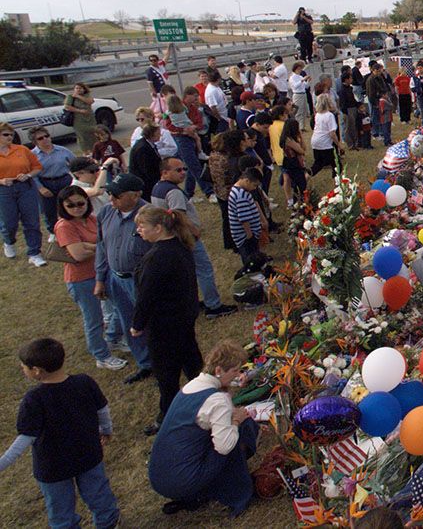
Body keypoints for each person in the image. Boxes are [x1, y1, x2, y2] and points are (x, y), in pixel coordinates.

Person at [0, 338, 120, 529]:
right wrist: (106, 430)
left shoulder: (34, 399)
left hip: (53, 467)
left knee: (60, 511)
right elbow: (102, 410)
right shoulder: (84, 382)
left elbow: (25, 438)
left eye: (24, 366)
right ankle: (107, 523)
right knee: (99, 496)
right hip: (88, 455)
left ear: (37, 370)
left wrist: (2, 463)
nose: (22, 369)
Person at [148, 340, 258, 517]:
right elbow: (225, 446)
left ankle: (199, 490)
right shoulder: (217, 400)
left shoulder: (192, 386)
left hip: (161, 477)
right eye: (234, 371)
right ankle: (237, 492)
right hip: (184, 480)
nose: (238, 375)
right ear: (219, 371)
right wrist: (236, 421)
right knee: (242, 429)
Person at [131, 205, 202, 436]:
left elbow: (147, 295)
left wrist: (137, 324)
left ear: (158, 228)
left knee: (166, 373)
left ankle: (168, 416)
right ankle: (206, 397)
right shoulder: (180, 247)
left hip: (164, 324)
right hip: (183, 317)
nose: (139, 231)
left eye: (142, 226)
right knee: (192, 362)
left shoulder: (158, 257)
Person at [53, 186, 129, 371]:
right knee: (94, 319)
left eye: (81, 203)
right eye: (70, 205)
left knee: (122, 307)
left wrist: (89, 246)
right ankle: (101, 355)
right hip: (81, 279)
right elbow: (77, 254)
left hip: (103, 273)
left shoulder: (93, 219)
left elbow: (106, 240)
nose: (77, 207)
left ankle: (113, 337)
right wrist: (100, 247)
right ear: (63, 206)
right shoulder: (64, 226)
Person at [152, 158, 236, 319]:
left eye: (184, 169)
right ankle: (214, 306)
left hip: (172, 237)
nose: (183, 173)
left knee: (187, 273)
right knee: (204, 270)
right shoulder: (173, 192)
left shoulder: (157, 188)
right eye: (178, 170)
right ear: (165, 172)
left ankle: (194, 302)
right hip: (186, 237)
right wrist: (194, 230)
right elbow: (179, 214)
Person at [93, 174, 155, 385]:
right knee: (129, 322)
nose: (112, 198)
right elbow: (101, 247)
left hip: (142, 281)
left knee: (152, 323)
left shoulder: (150, 215)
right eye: (110, 193)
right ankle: (145, 363)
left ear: (135, 195)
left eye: (117, 195)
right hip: (115, 279)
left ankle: (164, 363)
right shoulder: (106, 213)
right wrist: (100, 279)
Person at [0, 122, 46, 265]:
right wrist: (1, 181)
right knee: (9, 222)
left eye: (11, 134)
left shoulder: (22, 149)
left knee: (31, 221)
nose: (10, 137)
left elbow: (38, 167)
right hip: (4, 190)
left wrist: (28, 175)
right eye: (6, 134)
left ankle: (34, 253)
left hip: (25, 187)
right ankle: (9, 241)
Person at [30, 127, 77, 238]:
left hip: (64, 180)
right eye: (40, 138)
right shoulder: (32, 155)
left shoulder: (62, 150)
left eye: (47, 136)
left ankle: (73, 227)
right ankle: (53, 232)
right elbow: (31, 174)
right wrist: (40, 188)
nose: (45, 139)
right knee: (49, 210)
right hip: (45, 182)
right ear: (35, 142)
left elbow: (75, 163)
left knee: (69, 205)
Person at [228, 166, 264, 267]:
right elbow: (244, 219)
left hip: (245, 235)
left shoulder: (238, 189)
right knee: (251, 261)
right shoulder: (241, 196)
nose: (255, 188)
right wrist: (250, 236)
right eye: (254, 185)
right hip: (245, 237)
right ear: (247, 180)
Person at [310, 93, 343, 179]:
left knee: (318, 164)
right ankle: (337, 184)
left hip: (315, 141)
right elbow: (332, 133)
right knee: (337, 165)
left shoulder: (317, 115)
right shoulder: (329, 115)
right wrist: (339, 145)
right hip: (325, 143)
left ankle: (305, 176)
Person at [129, 124, 163, 201]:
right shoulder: (143, 148)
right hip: (145, 185)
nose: (160, 135)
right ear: (152, 134)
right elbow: (147, 169)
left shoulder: (148, 144)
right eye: (158, 133)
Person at [278, 119, 307, 208]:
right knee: (299, 182)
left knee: (297, 182)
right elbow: (301, 151)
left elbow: (304, 148)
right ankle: (297, 201)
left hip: (293, 162)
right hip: (292, 163)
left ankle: (298, 201)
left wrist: (301, 137)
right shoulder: (288, 140)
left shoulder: (292, 138)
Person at [63, 83, 97, 154]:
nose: (78, 90)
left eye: (80, 88)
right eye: (76, 88)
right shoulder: (70, 97)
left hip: (89, 119)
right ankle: (86, 152)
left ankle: (95, 149)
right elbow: (67, 106)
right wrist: (79, 110)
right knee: (82, 136)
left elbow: (90, 101)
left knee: (93, 134)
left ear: (84, 89)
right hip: (78, 120)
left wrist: (78, 96)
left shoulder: (87, 95)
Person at [365, 63, 393, 146]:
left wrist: (384, 93)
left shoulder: (380, 77)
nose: (378, 72)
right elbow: (370, 94)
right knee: (375, 118)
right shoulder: (370, 80)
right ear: (373, 71)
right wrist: (375, 103)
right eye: (377, 71)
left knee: (384, 119)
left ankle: (383, 134)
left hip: (382, 100)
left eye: (379, 71)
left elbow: (384, 87)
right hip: (375, 101)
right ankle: (375, 133)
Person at [339, 66, 360, 148]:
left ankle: (356, 142)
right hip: (348, 110)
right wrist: (345, 112)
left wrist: (357, 104)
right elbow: (343, 103)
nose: (352, 80)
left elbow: (353, 99)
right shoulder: (343, 90)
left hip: (353, 108)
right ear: (346, 79)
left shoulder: (349, 89)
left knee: (354, 126)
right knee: (348, 128)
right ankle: (350, 144)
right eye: (350, 78)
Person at [146, 50, 171, 115]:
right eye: (151, 60)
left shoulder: (161, 65)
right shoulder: (150, 70)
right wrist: (153, 91)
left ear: (157, 60)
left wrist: (169, 47)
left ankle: (169, 113)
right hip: (159, 91)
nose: (153, 62)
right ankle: (162, 116)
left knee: (170, 102)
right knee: (162, 106)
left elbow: (166, 57)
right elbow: (150, 83)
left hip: (167, 88)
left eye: (154, 60)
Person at [289, 61, 311, 129]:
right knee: (298, 111)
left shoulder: (300, 76)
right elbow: (295, 86)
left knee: (304, 110)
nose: (300, 70)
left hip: (303, 93)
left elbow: (306, 86)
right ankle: (298, 126)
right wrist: (302, 80)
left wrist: (308, 81)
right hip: (297, 94)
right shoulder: (292, 77)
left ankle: (302, 126)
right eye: (299, 69)